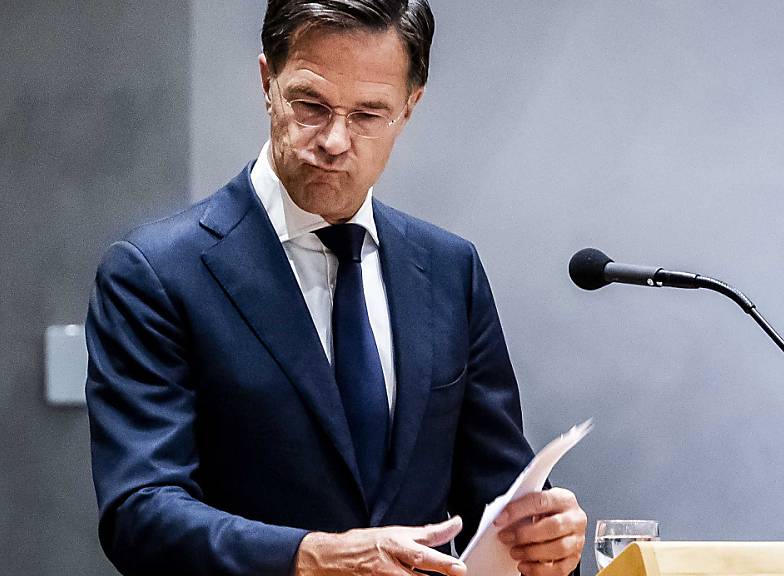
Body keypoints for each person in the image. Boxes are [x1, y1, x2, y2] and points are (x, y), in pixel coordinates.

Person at [85, 1, 587, 575]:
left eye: (370, 114)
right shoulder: (155, 273)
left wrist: (548, 546)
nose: (334, 140)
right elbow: (139, 512)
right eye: (310, 106)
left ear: (410, 107)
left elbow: (497, 497)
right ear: (267, 82)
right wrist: (312, 557)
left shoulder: (451, 269)